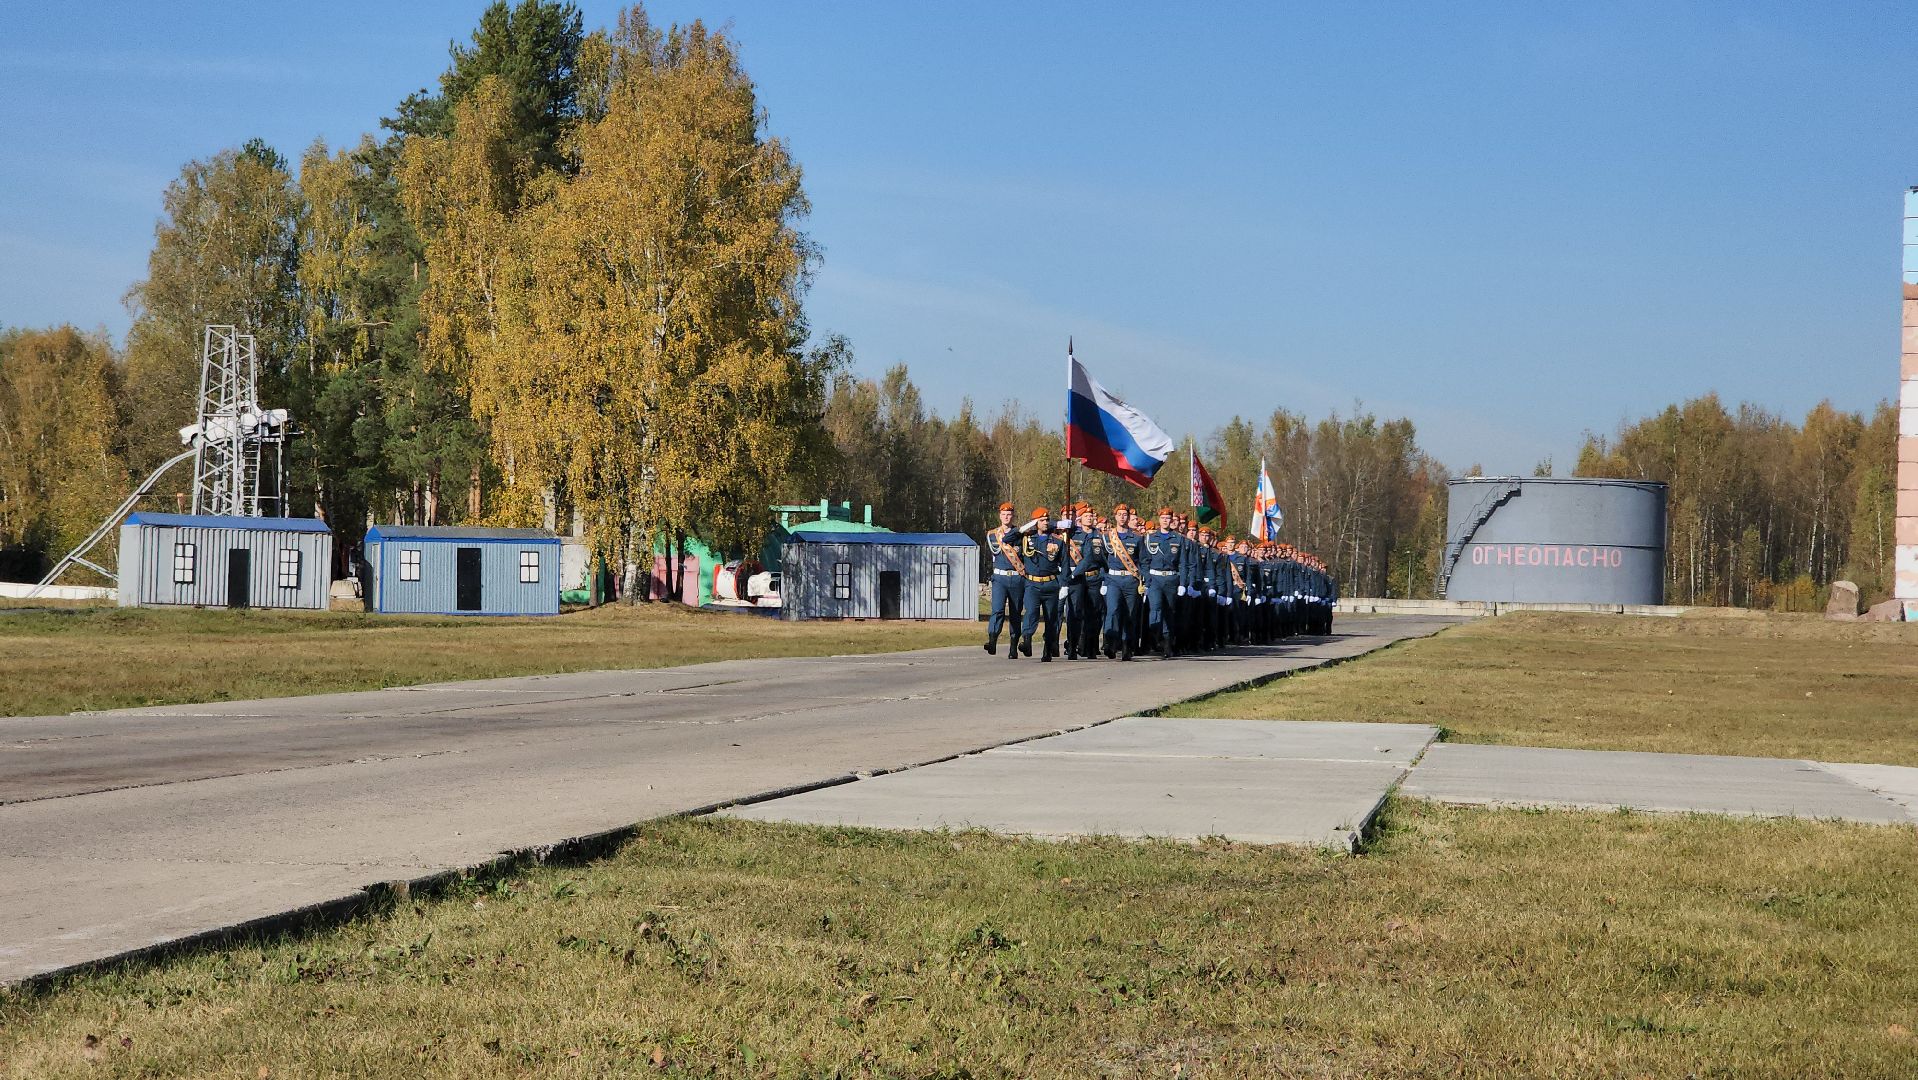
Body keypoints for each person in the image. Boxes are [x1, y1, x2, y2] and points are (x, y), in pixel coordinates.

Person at [1015, 508, 1067, 661]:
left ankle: (1048, 650)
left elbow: (1064, 563)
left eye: (1047, 520)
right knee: (1031, 612)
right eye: (1041, 520)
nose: (1045, 522)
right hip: (1032, 583)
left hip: (1051, 584)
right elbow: (1007, 539)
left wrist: (1064, 584)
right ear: (1035, 522)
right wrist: (1024, 528)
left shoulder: (1057, 540)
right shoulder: (1027, 538)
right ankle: (1027, 639)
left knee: (1051, 618)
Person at [1141, 507, 1187, 659]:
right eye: (1163, 518)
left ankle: (1167, 643)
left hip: (1171, 579)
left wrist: (1182, 583)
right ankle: (1156, 635)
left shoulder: (1178, 539)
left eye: (1168, 518)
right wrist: (1146, 579)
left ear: (1171, 520)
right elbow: (1145, 561)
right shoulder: (1150, 538)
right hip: (1155, 578)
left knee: (1169, 611)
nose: (1165, 521)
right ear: (1159, 520)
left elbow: (1182, 563)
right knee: (1156, 607)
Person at [1100, 503, 1143, 660]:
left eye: (1125, 515)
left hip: (1130, 579)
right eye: (1120, 515)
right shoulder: (1107, 537)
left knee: (1130, 614)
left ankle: (1126, 645)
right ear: (1115, 517)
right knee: (1113, 610)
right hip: (1113, 579)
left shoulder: (1137, 538)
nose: (1122, 517)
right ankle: (1111, 642)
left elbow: (1143, 561)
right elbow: (1101, 559)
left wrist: (1143, 581)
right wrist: (1104, 579)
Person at [982, 501, 1023, 657]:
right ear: (1000, 516)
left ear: (1013, 516)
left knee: (1015, 613)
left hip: (1016, 578)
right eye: (1004, 514)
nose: (1006, 517)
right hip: (1000, 577)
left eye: (1009, 514)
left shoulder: (1020, 534)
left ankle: (1013, 646)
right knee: (997, 610)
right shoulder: (993, 535)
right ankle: (992, 640)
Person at [1065, 503, 1106, 660]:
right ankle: (1072, 646)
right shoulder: (1072, 534)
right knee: (1075, 612)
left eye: (1091, 516)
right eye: (1086, 516)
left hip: (1093, 578)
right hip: (1077, 579)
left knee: (1093, 613)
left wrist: (1105, 578)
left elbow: (1099, 558)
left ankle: (1090, 647)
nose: (1089, 518)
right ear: (1079, 519)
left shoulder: (1098, 536)